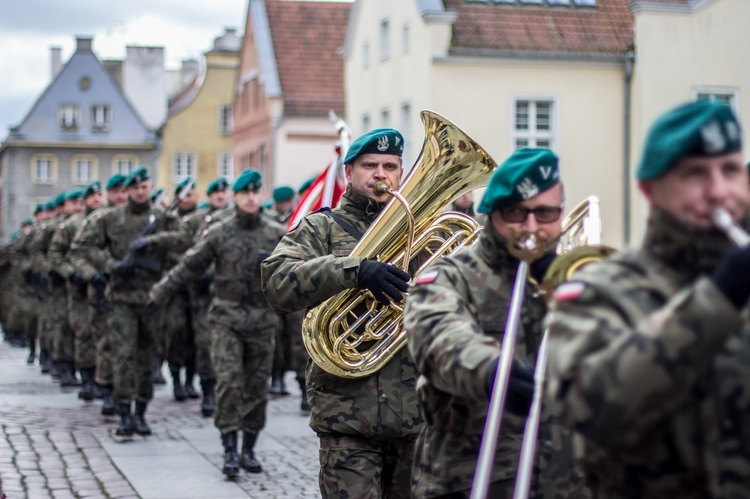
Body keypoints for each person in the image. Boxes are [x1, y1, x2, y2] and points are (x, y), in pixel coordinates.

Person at [545, 100, 750, 497]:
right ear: (650, 191)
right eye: (694, 175)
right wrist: (719, 298)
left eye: (729, 170)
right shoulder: (599, 290)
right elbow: (592, 408)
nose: (719, 190)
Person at [404, 148, 585, 498]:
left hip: (566, 483)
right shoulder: (448, 278)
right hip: (472, 480)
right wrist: (490, 369)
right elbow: (439, 337)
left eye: (545, 213)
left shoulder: (582, 281)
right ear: (492, 214)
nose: (532, 227)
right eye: (516, 213)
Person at [262, 128, 422, 498]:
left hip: (416, 416)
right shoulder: (322, 227)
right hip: (348, 417)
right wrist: (353, 271)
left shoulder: (422, 229)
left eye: (390, 166)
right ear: (348, 173)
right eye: (369, 165)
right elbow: (276, 282)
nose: (380, 174)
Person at [150, 169, 285, 477]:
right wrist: (159, 293)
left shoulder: (275, 233)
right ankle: (229, 449)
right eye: (244, 193)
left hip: (262, 320)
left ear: (261, 195)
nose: (251, 198)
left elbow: (299, 270)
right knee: (228, 382)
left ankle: (249, 449)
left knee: (256, 388)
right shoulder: (220, 231)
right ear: (236, 197)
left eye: (255, 192)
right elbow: (189, 265)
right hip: (226, 319)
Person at [74, 167, 187, 437]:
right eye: (135, 188)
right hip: (121, 299)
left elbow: (186, 238)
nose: (140, 191)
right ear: (127, 191)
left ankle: (141, 412)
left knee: (147, 357)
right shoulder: (110, 218)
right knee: (123, 355)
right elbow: (83, 247)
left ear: (149, 187)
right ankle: (124, 412)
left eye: (145, 186)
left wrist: (151, 240)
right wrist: (111, 265)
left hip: (151, 299)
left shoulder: (162, 218)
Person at [69, 173, 129, 415]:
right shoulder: (96, 221)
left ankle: (128, 393)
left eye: (125, 191)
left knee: (131, 346)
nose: (121, 196)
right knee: (103, 341)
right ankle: (107, 390)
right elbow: (76, 253)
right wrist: (90, 273)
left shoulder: (139, 219)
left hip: (132, 291)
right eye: (116, 191)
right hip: (101, 290)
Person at [48, 181, 105, 400]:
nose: (97, 200)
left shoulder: (109, 220)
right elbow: (55, 253)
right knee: (83, 332)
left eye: (100, 195)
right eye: (92, 197)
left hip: (105, 288)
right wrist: (69, 272)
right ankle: (86, 378)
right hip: (78, 289)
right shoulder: (72, 225)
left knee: (106, 336)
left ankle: (104, 380)